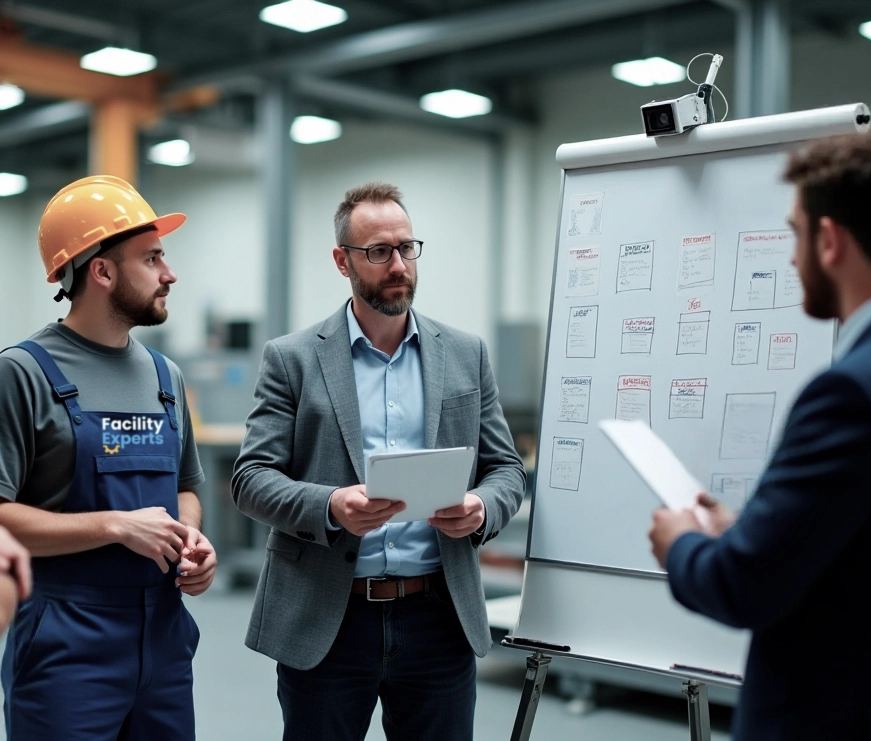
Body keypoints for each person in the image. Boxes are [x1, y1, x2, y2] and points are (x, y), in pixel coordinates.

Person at [648, 131, 871, 741]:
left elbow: (741, 589)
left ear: (830, 240)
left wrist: (680, 542)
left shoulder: (855, 393)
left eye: (794, 232)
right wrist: (749, 531)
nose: (791, 258)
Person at [232, 181, 525, 741]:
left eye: (407, 248)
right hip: (329, 617)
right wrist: (330, 506)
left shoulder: (466, 354)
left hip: (438, 618)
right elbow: (250, 479)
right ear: (343, 261)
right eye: (378, 252)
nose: (398, 265)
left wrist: (481, 507)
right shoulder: (292, 359)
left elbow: (506, 469)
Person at [0, 175, 217, 741]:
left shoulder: (165, 376)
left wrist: (188, 539)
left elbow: (188, 487)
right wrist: (115, 526)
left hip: (164, 637)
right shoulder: (22, 373)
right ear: (101, 271)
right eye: (152, 258)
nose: (169, 274)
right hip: (66, 640)